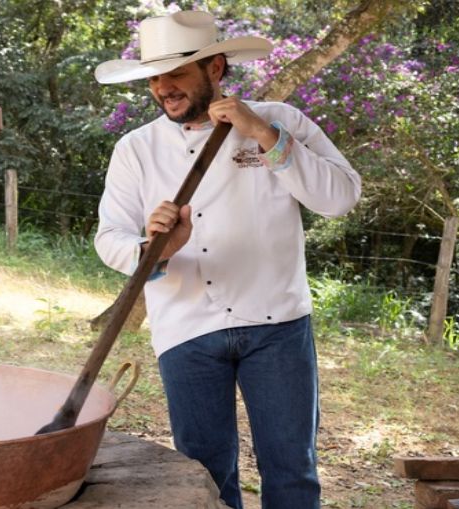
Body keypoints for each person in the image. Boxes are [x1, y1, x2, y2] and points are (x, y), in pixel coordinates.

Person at [92, 10, 362, 509]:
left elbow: (341, 196)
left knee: (292, 470)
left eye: (176, 73)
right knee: (203, 476)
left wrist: (264, 134)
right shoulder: (136, 149)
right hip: (185, 328)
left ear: (215, 68)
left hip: (278, 324)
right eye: (154, 77)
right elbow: (109, 238)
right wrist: (159, 249)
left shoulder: (280, 120)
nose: (163, 88)